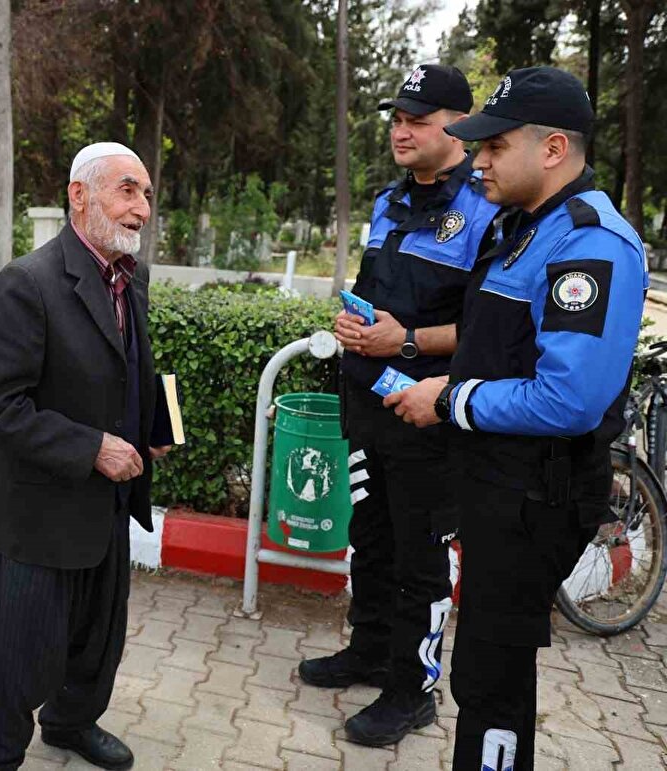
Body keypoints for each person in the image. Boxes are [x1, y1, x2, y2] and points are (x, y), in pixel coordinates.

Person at [382, 66, 647, 771]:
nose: (481, 159)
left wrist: (448, 398)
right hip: (498, 483)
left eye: (496, 147)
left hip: (535, 495)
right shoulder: (522, 225)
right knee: (483, 674)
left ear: (553, 148)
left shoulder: (590, 243)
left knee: (492, 683)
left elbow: (569, 398)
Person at [300, 64, 499, 747]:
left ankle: (411, 690)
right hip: (367, 404)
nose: (400, 129)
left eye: (416, 118)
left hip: (428, 414)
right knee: (372, 537)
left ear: (457, 125)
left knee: (420, 553)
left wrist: (406, 339)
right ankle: (370, 648)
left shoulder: (485, 206)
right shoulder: (389, 202)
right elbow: (372, 289)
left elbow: (488, 327)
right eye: (396, 117)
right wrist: (355, 325)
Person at [0, 142, 172, 771]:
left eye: (145, 195)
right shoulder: (27, 283)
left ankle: (71, 723)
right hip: (41, 516)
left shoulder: (129, 277)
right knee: (14, 655)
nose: (141, 208)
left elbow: (134, 366)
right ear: (79, 196)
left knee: (96, 642)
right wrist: (91, 448)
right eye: (126, 190)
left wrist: (160, 426)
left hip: (107, 510)